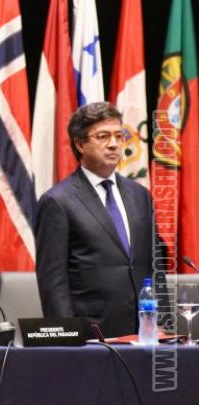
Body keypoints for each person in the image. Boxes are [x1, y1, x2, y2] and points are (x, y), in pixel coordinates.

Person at [34, 101, 156, 338]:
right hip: (90, 335)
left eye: (119, 136)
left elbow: (152, 264)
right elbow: (53, 282)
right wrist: (66, 338)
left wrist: (160, 323)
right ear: (80, 144)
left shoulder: (140, 195)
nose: (114, 144)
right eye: (103, 136)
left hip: (142, 331)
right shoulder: (57, 201)